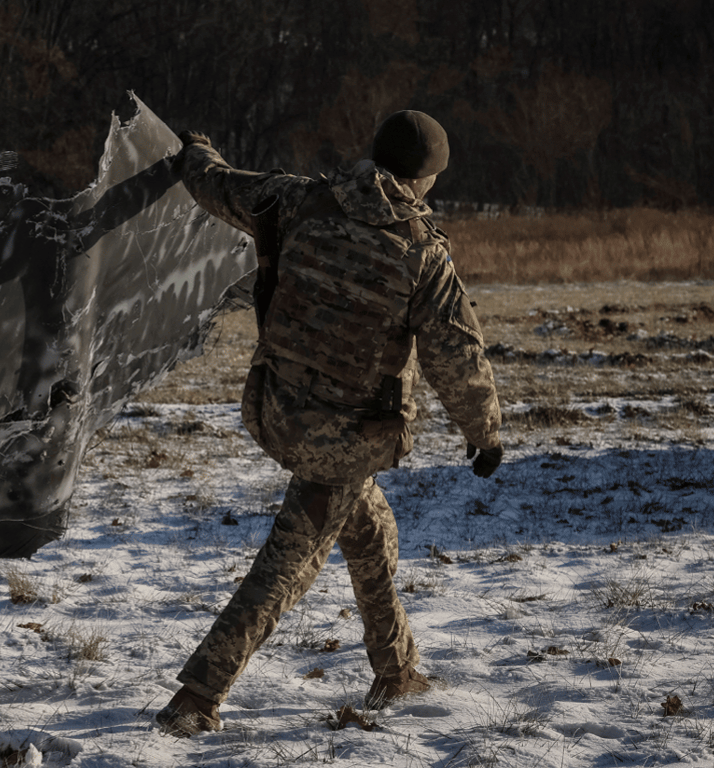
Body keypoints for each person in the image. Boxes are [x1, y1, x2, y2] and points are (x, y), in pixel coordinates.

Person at [155, 110, 503, 737]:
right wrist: (485, 435)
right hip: (348, 438)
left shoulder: (299, 199)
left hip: (279, 411)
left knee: (369, 531)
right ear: (426, 180)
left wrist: (194, 152)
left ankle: (396, 670)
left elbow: (221, 185)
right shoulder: (421, 251)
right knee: (290, 561)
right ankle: (197, 697)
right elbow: (457, 355)